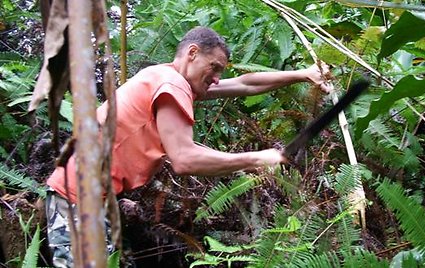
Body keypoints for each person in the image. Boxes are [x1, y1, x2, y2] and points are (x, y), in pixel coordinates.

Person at [45, 26, 332, 267]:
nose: (217, 77)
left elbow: (245, 84)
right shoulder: (172, 85)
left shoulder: (164, 76)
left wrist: (303, 74)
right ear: (192, 53)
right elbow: (184, 160)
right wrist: (259, 158)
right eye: (214, 67)